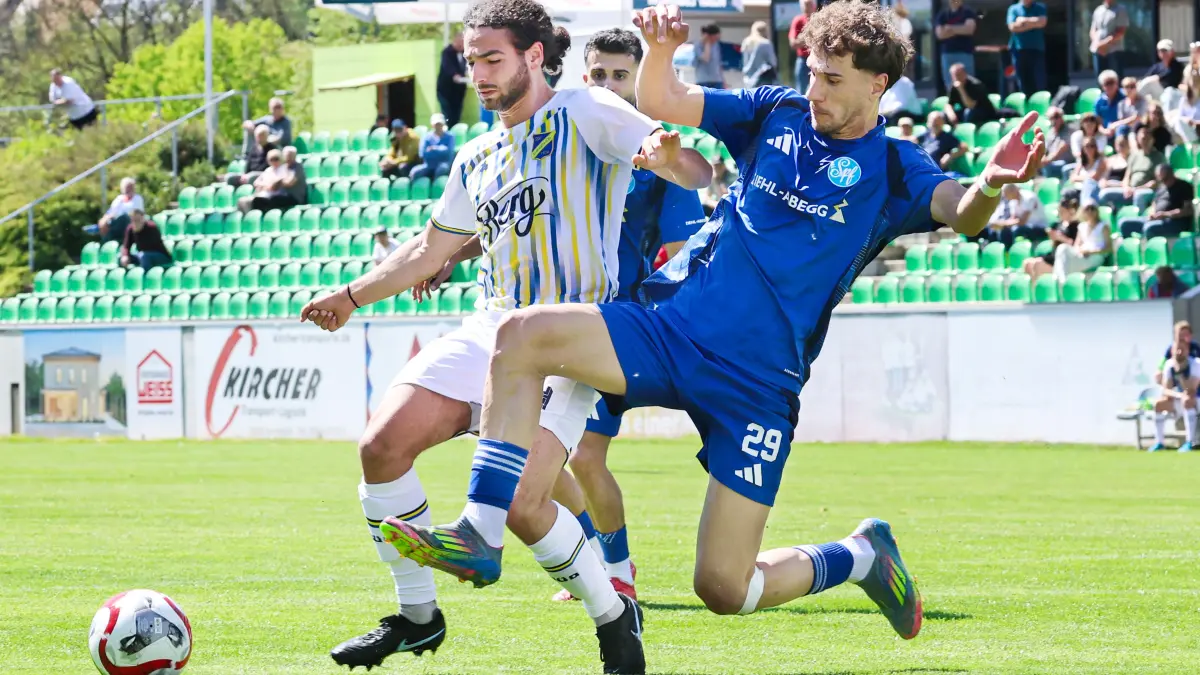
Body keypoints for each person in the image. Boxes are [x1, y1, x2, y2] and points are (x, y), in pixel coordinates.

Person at [377, 1, 1043, 659]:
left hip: (758, 384)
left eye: (833, 80)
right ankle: (482, 529)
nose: (814, 90)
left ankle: (861, 555)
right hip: (673, 329)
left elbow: (965, 212)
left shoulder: (897, 167)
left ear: (878, 85)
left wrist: (989, 181)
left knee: (725, 585)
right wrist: (660, 51)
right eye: (812, 71)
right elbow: (666, 98)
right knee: (520, 335)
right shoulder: (776, 112)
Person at [299, 1, 711, 672]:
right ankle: (417, 617)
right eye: (471, 61)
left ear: (534, 56)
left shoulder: (584, 111)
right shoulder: (476, 155)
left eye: (493, 58)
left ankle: (615, 622)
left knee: (525, 504)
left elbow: (685, 166)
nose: (480, 73)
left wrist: (667, 158)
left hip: (572, 340)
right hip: (491, 330)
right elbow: (430, 250)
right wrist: (351, 297)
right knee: (380, 445)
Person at [1118, 164, 1195, 238]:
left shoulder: (1184, 187)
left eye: (1166, 179)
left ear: (1172, 174)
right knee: (1124, 224)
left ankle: (1150, 250)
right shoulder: (1161, 187)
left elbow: (1188, 210)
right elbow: (1154, 203)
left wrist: (1165, 214)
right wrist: (1152, 214)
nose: (1164, 182)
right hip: (1157, 219)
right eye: (1161, 180)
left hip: (1175, 222)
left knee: (1149, 228)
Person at [1152, 343, 1199, 452]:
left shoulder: (1196, 363)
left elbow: (1191, 390)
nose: (1179, 352)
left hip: (1196, 399)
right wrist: (1178, 395)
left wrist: (1180, 374)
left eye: (1182, 349)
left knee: (1187, 400)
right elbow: (1165, 389)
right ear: (1172, 352)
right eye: (1176, 350)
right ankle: (1160, 443)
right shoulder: (1169, 365)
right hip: (1180, 399)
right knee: (1159, 405)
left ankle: (1189, 442)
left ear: (1188, 351)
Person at [1023, 196, 1080, 280]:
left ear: (1069, 211)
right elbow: (1054, 244)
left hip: (1064, 257)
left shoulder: (1076, 225)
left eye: (1062, 211)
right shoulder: (1058, 224)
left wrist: (1061, 238)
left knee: (1037, 265)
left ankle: (1039, 290)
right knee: (1027, 263)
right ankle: (1033, 290)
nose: (1059, 214)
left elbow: (1075, 245)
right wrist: (1053, 238)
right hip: (1053, 253)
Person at [1053, 200, 1109, 279]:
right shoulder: (1082, 226)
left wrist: (1091, 251)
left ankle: (1060, 282)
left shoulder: (1103, 226)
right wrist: (1081, 251)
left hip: (1095, 257)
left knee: (1063, 262)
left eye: (1092, 208)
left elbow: (1109, 249)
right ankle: (1061, 281)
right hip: (1082, 255)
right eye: (1086, 209)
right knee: (1062, 248)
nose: (1089, 211)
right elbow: (1076, 245)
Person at [980, 183, 1046, 247]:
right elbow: (1013, 219)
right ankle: (1006, 252)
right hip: (1023, 227)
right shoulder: (1012, 201)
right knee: (1003, 230)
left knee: (1017, 230)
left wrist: (1003, 224)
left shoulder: (1029, 197)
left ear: (1012, 191)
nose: (1004, 196)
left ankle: (1010, 250)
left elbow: (1022, 221)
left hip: (1038, 227)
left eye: (1006, 193)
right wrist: (1001, 225)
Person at [934, 0, 978, 88]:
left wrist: (949, 28)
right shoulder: (943, 15)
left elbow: (969, 29)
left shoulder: (968, 12)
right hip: (947, 54)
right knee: (950, 84)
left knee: (968, 83)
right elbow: (940, 34)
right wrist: (960, 29)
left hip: (965, 53)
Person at [1007, 0, 1047, 95]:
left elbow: (1042, 22)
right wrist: (1034, 24)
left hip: (1036, 49)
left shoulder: (1040, 7)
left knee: (1039, 81)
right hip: (1019, 50)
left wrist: (1023, 21)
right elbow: (1013, 27)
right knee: (1022, 82)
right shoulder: (1014, 9)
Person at [920, 111, 969, 177]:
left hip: (938, 172)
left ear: (942, 123)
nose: (934, 123)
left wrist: (950, 156)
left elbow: (964, 147)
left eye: (937, 121)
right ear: (928, 123)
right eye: (932, 121)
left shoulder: (947, 137)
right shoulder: (925, 136)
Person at [95, 178, 144, 243]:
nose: (128, 189)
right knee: (104, 223)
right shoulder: (119, 199)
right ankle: (105, 243)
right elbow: (110, 212)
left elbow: (138, 214)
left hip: (129, 222)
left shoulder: (137, 198)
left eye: (130, 187)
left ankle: (107, 241)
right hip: (115, 223)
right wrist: (104, 220)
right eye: (126, 187)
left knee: (123, 218)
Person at [1089, 0, 1128, 79]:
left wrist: (1104, 44)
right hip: (1098, 50)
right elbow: (1093, 30)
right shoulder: (1098, 10)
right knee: (1100, 79)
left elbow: (1121, 31)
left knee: (1115, 79)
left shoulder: (1120, 10)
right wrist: (1097, 44)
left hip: (1114, 51)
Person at [411, 114, 456, 180]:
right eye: (436, 124)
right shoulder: (426, 137)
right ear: (432, 125)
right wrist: (442, 149)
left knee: (441, 169)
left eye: (440, 124)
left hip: (444, 164)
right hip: (428, 165)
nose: (438, 126)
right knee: (414, 172)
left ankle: (437, 189)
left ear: (443, 124)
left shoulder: (450, 136)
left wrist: (434, 149)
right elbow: (422, 154)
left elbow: (449, 153)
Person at [438, 32, 469, 127]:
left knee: (457, 115)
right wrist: (454, 75)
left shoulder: (465, 53)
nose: (461, 46)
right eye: (459, 43)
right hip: (446, 91)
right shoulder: (447, 52)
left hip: (458, 91)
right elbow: (448, 67)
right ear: (454, 41)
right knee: (448, 115)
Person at [788, 0, 816, 91]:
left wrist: (802, 39)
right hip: (803, 60)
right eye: (805, 5)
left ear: (814, 6)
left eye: (809, 4)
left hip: (818, 59)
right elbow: (793, 44)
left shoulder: (820, 20)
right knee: (801, 90)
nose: (806, 7)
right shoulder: (798, 21)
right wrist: (810, 38)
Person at [741, 21, 778, 88]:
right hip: (763, 80)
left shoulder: (746, 42)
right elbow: (773, 63)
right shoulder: (766, 44)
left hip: (748, 80)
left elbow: (745, 63)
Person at [693, 23, 724, 89]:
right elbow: (706, 58)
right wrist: (707, 43)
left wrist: (723, 81)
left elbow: (718, 64)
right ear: (709, 36)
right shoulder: (698, 45)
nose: (716, 40)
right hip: (703, 80)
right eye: (715, 38)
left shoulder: (716, 45)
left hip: (717, 80)